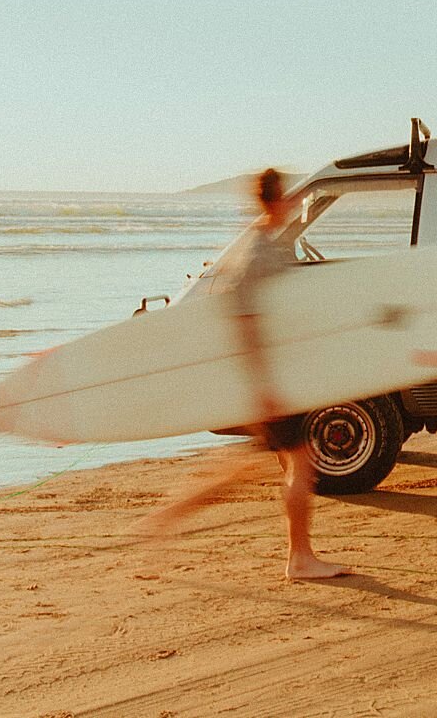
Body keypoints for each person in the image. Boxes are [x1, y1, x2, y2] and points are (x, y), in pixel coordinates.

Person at [140, 169, 348, 580]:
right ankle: (300, 558)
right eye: (286, 197)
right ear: (275, 201)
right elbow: (246, 322)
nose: (292, 203)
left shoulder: (259, 245)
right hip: (268, 381)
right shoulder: (257, 252)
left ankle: (167, 518)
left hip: (271, 378)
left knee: (250, 469)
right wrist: (263, 386)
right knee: (299, 468)